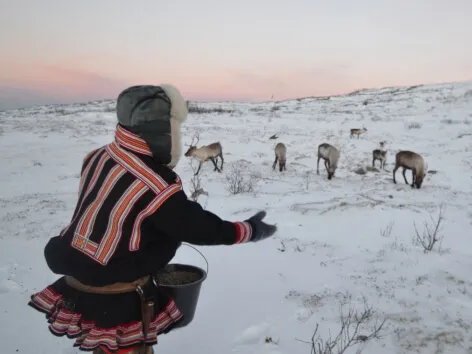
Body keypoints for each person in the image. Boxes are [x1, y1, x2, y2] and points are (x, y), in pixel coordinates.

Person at [28, 84, 277, 354]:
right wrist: (248, 230)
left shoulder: (98, 156)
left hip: (76, 269)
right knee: (126, 348)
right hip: (117, 289)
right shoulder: (156, 184)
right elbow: (199, 228)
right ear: (163, 130)